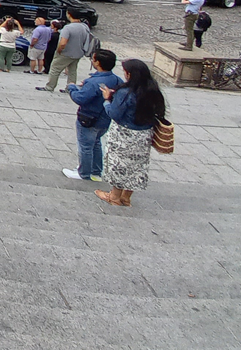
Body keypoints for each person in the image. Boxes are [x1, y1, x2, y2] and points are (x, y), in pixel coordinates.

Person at [97, 59, 167, 207]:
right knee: (137, 166)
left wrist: (107, 100)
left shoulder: (125, 93)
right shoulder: (152, 90)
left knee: (119, 164)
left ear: (129, 74)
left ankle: (114, 197)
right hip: (144, 134)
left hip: (124, 134)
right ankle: (126, 198)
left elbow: (114, 113)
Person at [63, 48, 123, 181]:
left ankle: (83, 173)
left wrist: (72, 88)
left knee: (85, 146)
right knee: (96, 143)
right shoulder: (116, 79)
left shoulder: (93, 82)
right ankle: (96, 171)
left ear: (98, 63)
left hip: (89, 118)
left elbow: (80, 98)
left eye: (93, 59)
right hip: (105, 119)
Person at [38, 10, 90, 93]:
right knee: (72, 71)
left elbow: (63, 43)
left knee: (55, 69)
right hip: (78, 52)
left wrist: (59, 50)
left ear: (69, 15)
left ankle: (50, 86)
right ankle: (70, 88)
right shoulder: (84, 27)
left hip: (66, 53)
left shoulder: (68, 28)